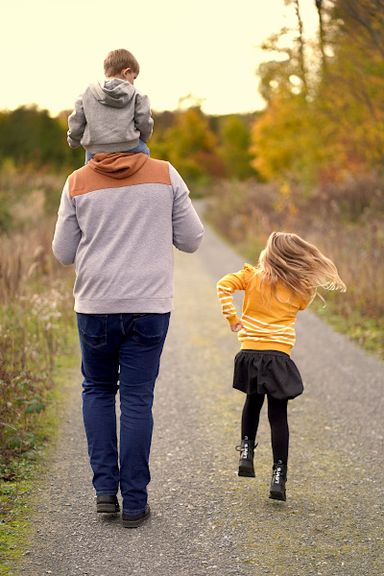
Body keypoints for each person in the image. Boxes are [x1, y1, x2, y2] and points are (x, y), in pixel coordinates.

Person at [52, 151, 203, 527]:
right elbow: (191, 240)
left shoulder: (77, 181)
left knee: (99, 390)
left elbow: (62, 253)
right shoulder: (166, 175)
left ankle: (105, 493)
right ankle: (135, 503)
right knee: (137, 399)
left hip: (95, 306)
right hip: (149, 306)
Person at [216, 232, 346, 501]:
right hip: (278, 357)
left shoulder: (251, 276)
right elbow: (300, 305)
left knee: (252, 402)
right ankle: (278, 476)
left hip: (250, 352)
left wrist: (232, 317)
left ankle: (246, 452)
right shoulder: (300, 289)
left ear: (269, 254)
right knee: (278, 416)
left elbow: (223, 286)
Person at [67, 48, 153, 162]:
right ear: (126, 72)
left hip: (95, 150)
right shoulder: (137, 95)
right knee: (146, 155)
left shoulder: (87, 93)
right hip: (130, 146)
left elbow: (76, 122)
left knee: (89, 171)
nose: (133, 82)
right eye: (134, 77)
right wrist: (145, 138)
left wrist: (73, 141)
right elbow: (144, 123)